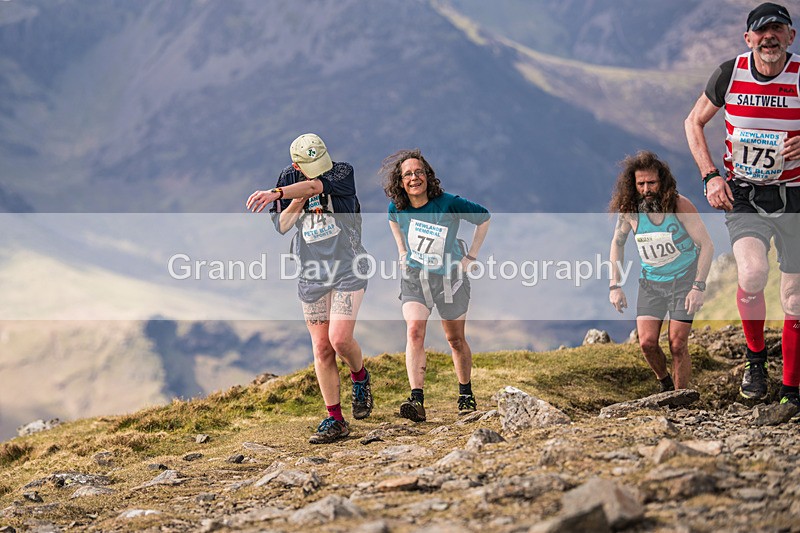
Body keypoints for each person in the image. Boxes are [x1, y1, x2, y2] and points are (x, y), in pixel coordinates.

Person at [685, 2, 800, 409]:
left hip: (795, 196)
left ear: (791, 36)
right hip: (745, 193)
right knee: (752, 273)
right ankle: (755, 363)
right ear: (747, 38)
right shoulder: (730, 73)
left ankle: (791, 390)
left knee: (794, 298)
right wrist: (709, 175)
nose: (769, 37)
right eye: (761, 31)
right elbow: (693, 121)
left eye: (778, 30)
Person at [246, 133, 373, 443]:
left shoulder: (342, 172)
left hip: (348, 266)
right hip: (312, 272)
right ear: (295, 165)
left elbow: (316, 185)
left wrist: (277, 193)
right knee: (321, 347)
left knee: (340, 339)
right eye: (309, 166)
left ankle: (360, 378)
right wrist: (294, 200)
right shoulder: (288, 178)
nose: (318, 170)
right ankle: (336, 419)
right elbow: (282, 226)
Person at [381, 149, 490, 422]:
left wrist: (471, 256)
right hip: (415, 279)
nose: (414, 178)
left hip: (450, 280)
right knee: (415, 330)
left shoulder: (448, 202)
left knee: (454, 339)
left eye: (419, 172)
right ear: (400, 181)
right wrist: (402, 252)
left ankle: (465, 394)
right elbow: (393, 221)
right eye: (408, 174)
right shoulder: (398, 207)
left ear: (427, 176)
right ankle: (416, 399)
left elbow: (484, 217)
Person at [609, 151, 714, 391]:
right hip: (651, 284)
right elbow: (617, 243)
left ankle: (681, 399)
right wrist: (615, 285)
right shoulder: (629, 211)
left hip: (684, 281)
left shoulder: (679, 205)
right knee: (647, 343)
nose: (647, 189)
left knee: (677, 344)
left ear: (662, 182)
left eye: (652, 183)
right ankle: (666, 384)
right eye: (641, 184)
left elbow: (707, 245)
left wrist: (698, 286)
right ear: (633, 185)